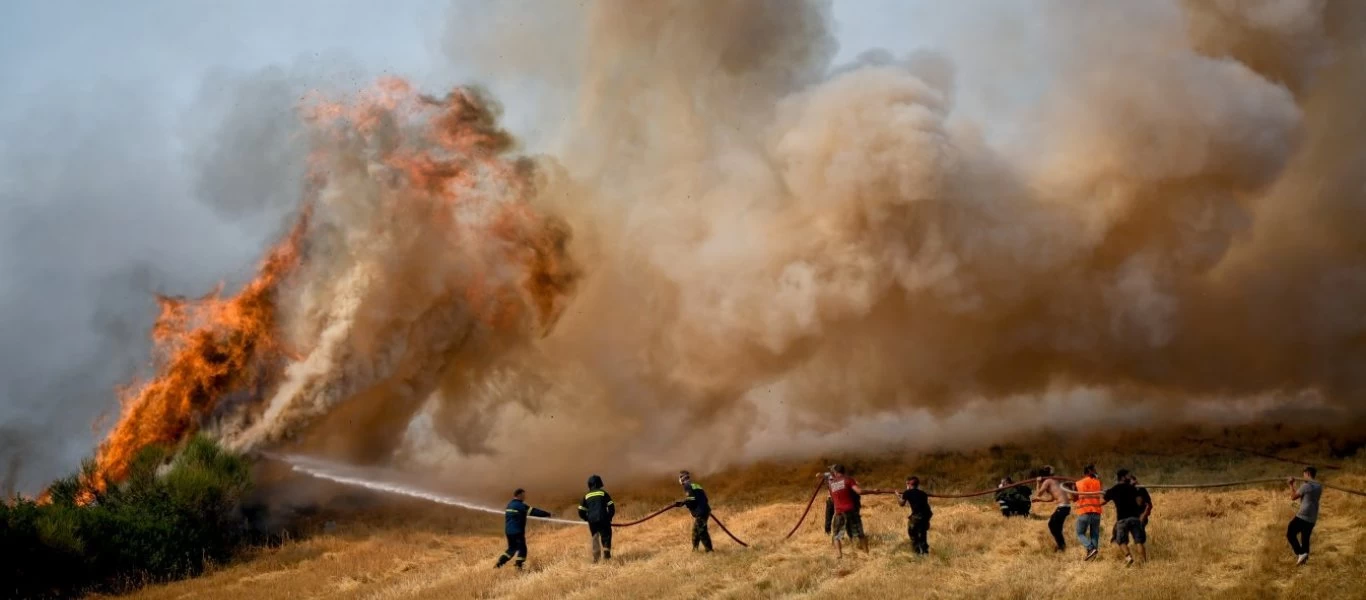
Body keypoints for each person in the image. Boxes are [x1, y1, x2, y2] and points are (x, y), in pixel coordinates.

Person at [495, 488, 552, 570]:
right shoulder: (520, 505)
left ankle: (500, 563)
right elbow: (534, 512)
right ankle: (519, 565)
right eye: (523, 495)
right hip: (517, 531)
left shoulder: (510, 504)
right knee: (522, 549)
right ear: (519, 495)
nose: (525, 497)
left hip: (509, 531)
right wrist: (547, 514)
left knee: (512, 549)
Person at [1102, 468, 1147, 566]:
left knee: (1121, 541)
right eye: (1128, 476)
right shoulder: (1132, 488)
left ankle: (1128, 557)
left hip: (1122, 520)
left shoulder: (1113, 489)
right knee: (1139, 541)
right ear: (1123, 477)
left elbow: (1102, 502)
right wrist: (1138, 489)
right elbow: (1139, 502)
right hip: (1134, 518)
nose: (1130, 477)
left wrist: (1106, 493)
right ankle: (1144, 562)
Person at [825, 464, 869, 557]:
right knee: (860, 533)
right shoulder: (848, 479)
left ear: (835, 472)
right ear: (844, 471)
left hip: (839, 512)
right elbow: (859, 491)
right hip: (851, 510)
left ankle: (839, 555)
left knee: (836, 536)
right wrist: (873, 491)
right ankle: (866, 553)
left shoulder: (831, 484)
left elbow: (832, 500)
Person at [1287, 466, 1322, 566]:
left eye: (1304, 474)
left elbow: (1293, 497)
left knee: (1290, 532)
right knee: (1305, 538)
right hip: (1313, 517)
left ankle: (1300, 553)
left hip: (1303, 515)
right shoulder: (1319, 486)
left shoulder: (1306, 486)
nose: (1303, 476)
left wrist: (1291, 484)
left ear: (1307, 473)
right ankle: (1304, 563)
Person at [1032, 465, 1071, 552]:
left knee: (1051, 524)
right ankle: (1061, 546)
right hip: (1066, 507)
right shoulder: (1054, 481)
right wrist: (1040, 500)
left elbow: (1038, 493)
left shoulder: (1048, 481)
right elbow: (1052, 498)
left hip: (1063, 506)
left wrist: (1038, 482)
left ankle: (1061, 546)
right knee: (1056, 527)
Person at [577, 474, 616, 563]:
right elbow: (611, 506)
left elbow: (580, 510)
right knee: (606, 535)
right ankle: (606, 555)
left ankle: (596, 558)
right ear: (599, 484)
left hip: (592, 520)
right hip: (603, 518)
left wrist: (586, 518)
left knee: (595, 536)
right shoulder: (603, 493)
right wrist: (609, 517)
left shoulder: (586, 496)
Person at [673, 471, 713, 552]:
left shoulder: (687, 486)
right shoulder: (696, 485)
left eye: (679, 477)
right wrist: (684, 502)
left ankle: (709, 551)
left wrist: (683, 503)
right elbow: (703, 498)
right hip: (705, 510)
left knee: (701, 532)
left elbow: (691, 500)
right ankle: (695, 550)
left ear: (682, 478)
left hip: (701, 512)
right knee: (696, 531)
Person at [1071, 464, 1104, 561]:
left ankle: (1090, 548)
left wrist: (1073, 489)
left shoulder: (1078, 483)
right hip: (1096, 512)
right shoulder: (1098, 482)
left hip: (1084, 511)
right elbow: (1101, 491)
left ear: (1084, 472)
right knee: (1094, 534)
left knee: (1080, 533)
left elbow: (1074, 498)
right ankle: (1093, 556)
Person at [899, 476, 932, 555]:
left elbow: (901, 503)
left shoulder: (907, 492)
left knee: (913, 534)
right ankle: (925, 552)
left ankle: (917, 553)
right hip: (926, 515)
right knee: (923, 533)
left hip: (917, 516)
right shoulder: (923, 493)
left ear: (909, 484)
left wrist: (898, 496)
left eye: (907, 484)